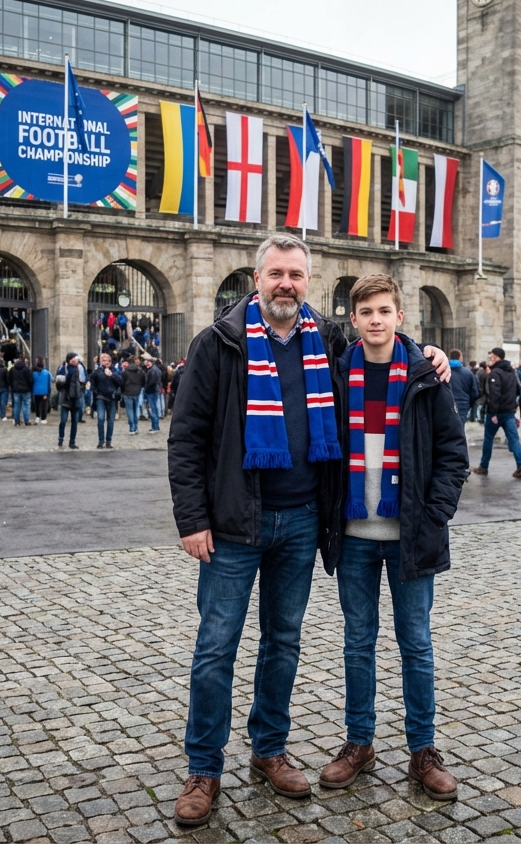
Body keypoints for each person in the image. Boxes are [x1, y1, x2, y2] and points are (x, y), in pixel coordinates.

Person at [166, 234, 447, 826]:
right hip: (233, 523)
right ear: (257, 276)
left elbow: (388, 346)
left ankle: (269, 749)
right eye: (276, 274)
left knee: (283, 643)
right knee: (216, 647)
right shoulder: (220, 342)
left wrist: (433, 356)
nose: (286, 284)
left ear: (308, 281)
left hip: (301, 521)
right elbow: (186, 438)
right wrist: (192, 519)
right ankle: (203, 769)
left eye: (296, 274)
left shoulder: (329, 341)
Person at [320, 274, 467, 801]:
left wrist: (435, 516)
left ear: (400, 316)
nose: (376, 319)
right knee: (358, 644)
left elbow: (454, 456)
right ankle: (359, 742)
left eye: (385, 310)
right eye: (367, 312)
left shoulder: (426, 375)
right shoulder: (337, 375)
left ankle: (423, 749)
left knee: (417, 645)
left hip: (411, 536)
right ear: (353, 320)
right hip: (355, 534)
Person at [472, 347, 521, 478]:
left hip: (496, 412)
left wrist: (493, 412)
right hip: (509, 411)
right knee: (514, 439)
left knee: (488, 439)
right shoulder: (512, 371)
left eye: (491, 357)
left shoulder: (495, 373)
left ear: (496, 357)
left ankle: (483, 466)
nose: (490, 359)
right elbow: (520, 389)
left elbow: (494, 394)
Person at [90, 353, 121, 448]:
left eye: (106, 360)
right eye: (102, 360)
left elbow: (121, 382)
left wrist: (112, 375)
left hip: (112, 398)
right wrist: (96, 393)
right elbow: (92, 382)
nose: (104, 362)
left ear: (110, 361)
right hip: (100, 398)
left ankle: (108, 441)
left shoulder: (115, 370)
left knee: (110, 421)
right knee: (101, 418)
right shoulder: (97, 372)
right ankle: (100, 441)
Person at [55, 352, 85, 448]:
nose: (75, 361)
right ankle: (61, 439)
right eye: (73, 359)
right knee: (63, 420)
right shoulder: (63, 368)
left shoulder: (80, 367)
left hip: (76, 397)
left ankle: (72, 442)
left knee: (74, 422)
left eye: (76, 359)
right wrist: (69, 373)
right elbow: (59, 381)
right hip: (65, 397)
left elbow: (84, 379)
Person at [447, 349, 478, 429]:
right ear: (460, 358)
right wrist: (468, 404)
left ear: (449, 357)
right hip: (462, 404)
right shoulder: (468, 372)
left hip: (446, 403)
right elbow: (474, 393)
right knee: (459, 429)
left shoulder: (443, 371)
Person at [121, 357, 145, 434]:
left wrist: (123, 391)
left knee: (130, 410)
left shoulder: (125, 372)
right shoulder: (140, 372)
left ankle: (131, 428)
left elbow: (122, 383)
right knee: (135, 410)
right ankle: (136, 427)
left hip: (127, 392)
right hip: (137, 392)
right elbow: (143, 381)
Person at [8, 357, 33, 426]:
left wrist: (13, 387)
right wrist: (30, 388)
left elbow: (10, 379)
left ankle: (16, 421)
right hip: (26, 390)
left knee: (16, 406)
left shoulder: (13, 369)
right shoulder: (27, 369)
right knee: (26, 405)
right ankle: (26, 421)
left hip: (16, 390)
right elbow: (30, 380)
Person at [143, 357, 163, 433]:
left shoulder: (153, 370)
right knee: (154, 409)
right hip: (153, 391)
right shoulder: (155, 370)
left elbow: (151, 382)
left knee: (153, 409)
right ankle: (155, 426)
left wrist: (146, 389)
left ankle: (155, 427)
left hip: (151, 391)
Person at [32, 358, 52, 424]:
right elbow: (49, 383)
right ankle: (43, 418)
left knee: (37, 405)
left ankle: (37, 417)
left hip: (36, 391)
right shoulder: (47, 373)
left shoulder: (34, 373)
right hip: (44, 392)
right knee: (44, 406)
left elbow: (32, 382)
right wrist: (48, 393)